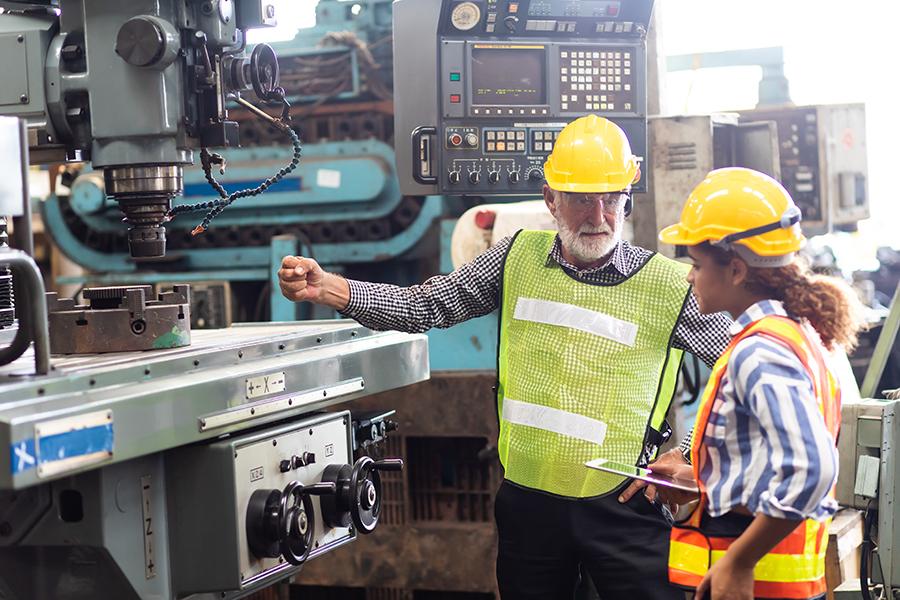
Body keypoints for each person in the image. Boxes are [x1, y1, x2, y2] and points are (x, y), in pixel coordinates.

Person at [278, 115, 732, 600]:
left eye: (611, 198)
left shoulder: (669, 286)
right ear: (551, 199)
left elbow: (739, 368)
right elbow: (425, 305)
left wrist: (690, 453)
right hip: (529, 507)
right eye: (581, 199)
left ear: (627, 198)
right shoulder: (515, 258)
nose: (598, 215)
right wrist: (330, 288)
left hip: (624, 506)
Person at [649, 167, 867, 600]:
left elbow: (812, 468)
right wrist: (704, 480)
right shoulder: (792, 333)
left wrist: (740, 560)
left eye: (696, 265)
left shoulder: (760, 352)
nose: (689, 277)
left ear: (735, 270)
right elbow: (770, 460)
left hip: (761, 589)